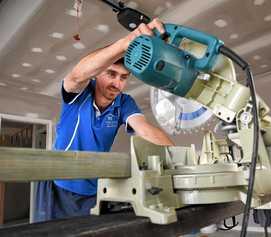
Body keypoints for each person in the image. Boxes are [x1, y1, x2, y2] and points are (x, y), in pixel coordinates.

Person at [34, 18, 174, 222]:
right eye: (111, 74)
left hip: (94, 189)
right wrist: (125, 43)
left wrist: (182, 162)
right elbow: (76, 75)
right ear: (97, 74)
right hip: (59, 186)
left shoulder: (124, 103)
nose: (117, 84)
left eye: (123, 77)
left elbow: (145, 130)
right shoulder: (80, 93)